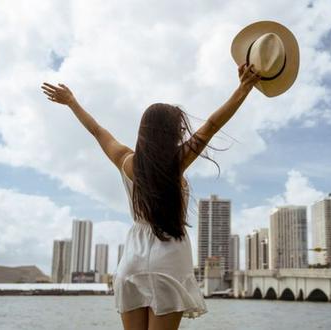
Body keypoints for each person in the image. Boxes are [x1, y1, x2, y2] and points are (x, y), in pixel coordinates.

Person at [40, 63, 260, 330]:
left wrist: (72, 103)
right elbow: (213, 124)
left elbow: (97, 131)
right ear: (172, 132)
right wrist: (243, 88)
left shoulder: (125, 161)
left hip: (132, 258)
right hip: (169, 258)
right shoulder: (176, 161)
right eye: (179, 128)